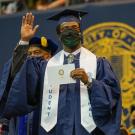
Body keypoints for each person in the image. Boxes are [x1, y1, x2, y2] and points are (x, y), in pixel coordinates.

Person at [0, 9, 121, 135]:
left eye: (74, 27)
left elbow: (112, 97)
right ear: (58, 35)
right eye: (65, 28)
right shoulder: (44, 67)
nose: (70, 31)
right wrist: (24, 41)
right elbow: (19, 76)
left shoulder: (98, 64)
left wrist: (90, 82)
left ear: (80, 32)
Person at [0, 36, 58, 135]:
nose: (31, 57)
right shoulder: (19, 81)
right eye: (29, 54)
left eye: (37, 53)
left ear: (48, 56)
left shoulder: (57, 78)